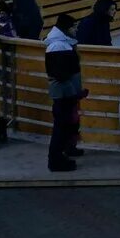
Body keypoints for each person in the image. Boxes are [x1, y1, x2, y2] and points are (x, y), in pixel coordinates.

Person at [44, 13, 84, 172]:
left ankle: (67, 149)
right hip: (63, 93)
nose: (76, 30)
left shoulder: (63, 43)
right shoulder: (58, 46)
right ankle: (56, 159)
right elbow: (61, 73)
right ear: (66, 29)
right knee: (61, 126)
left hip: (67, 91)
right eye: (74, 27)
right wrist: (73, 92)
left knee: (69, 124)